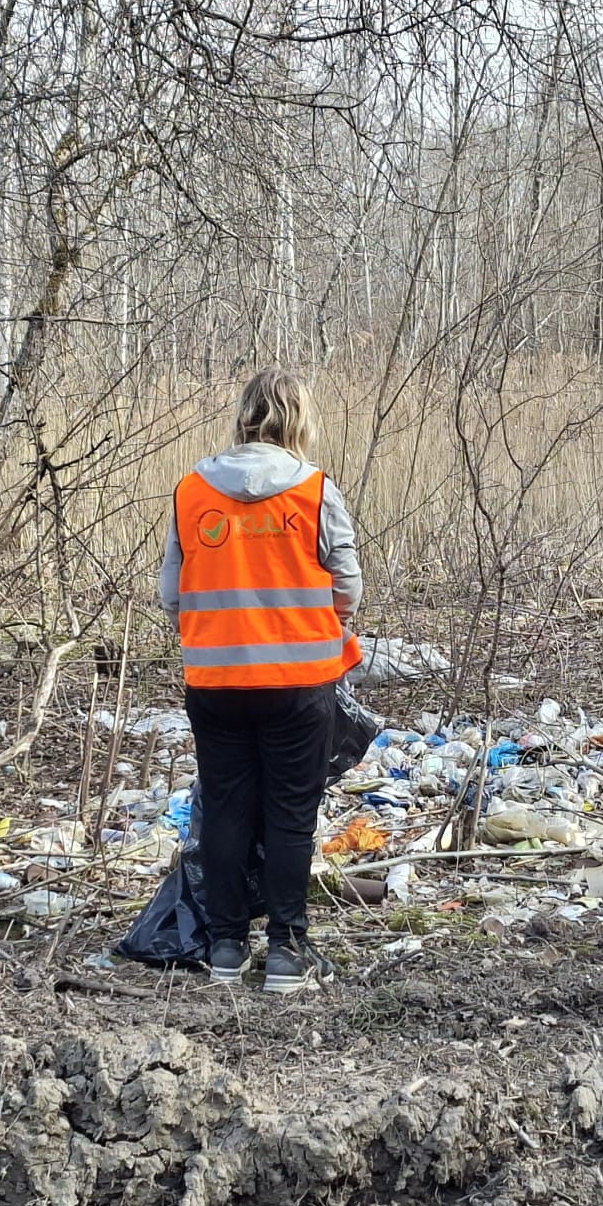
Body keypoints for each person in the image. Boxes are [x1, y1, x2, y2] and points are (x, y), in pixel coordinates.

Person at [160, 369, 362, 994]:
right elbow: (348, 587)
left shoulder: (191, 492)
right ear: (298, 419)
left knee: (224, 810)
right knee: (290, 814)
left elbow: (172, 593)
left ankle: (224, 948)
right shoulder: (315, 492)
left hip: (215, 683)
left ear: (243, 415)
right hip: (299, 684)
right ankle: (285, 950)